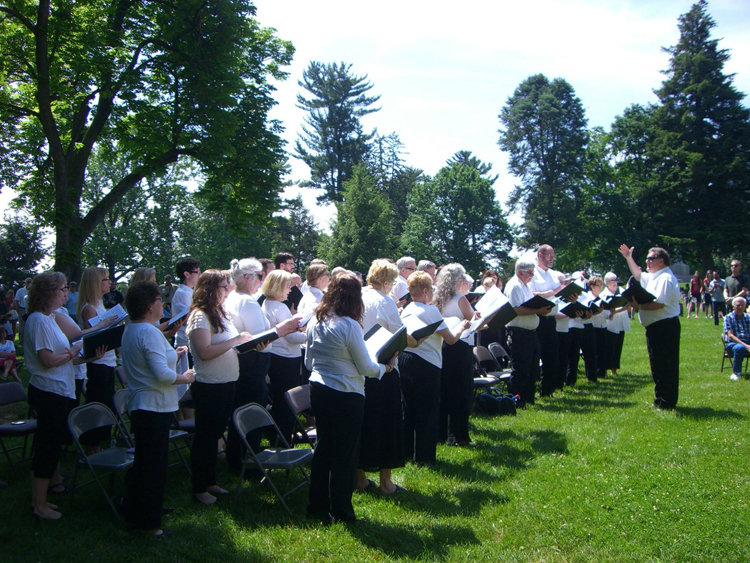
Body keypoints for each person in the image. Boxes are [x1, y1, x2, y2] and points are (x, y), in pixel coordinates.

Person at [305, 273, 397, 523]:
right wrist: (385, 369)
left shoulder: (316, 320)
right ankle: (342, 511)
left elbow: (308, 361)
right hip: (346, 393)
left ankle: (317, 506)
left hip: (319, 388)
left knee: (323, 448)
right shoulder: (349, 325)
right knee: (345, 455)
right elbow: (367, 368)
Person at [25, 272, 104, 520]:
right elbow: (48, 360)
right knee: (47, 446)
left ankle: (44, 499)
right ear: (48, 292)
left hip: (60, 389)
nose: (66, 294)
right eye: (61, 289)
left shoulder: (50, 318)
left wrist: (91, 356)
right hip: (47, 391)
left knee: (53, 444)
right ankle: (38, 505)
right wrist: (73, 353)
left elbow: (66, 357)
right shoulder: (38, 320)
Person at [121, 281, 195, 537]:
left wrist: (173, 352)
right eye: (159, 300)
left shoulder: (132, 329)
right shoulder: (149, 332)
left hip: (143, 405)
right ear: (149, 305)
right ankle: (149, 525)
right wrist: (186, 377)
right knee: (153, 467)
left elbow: (150, 362)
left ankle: (139, 511)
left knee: (144, 463)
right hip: (153, 406)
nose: (162, 304)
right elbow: (163, 375)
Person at [223, 260, 299, 472]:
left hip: (243, 364)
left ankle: (238, 459)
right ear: (247, 278)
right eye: (259, 276)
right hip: (252, 364)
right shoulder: (247, 301)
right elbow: (259, 341)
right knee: (252, 414)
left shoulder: (233, 297)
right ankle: (249, 461)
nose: (262, 281)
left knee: (241, 413)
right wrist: (281, 330)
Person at [187, 270, 252, 505]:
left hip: (226, 382)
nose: (228, 290)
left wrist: (247, 343)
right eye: (224, 286)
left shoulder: (219, 312)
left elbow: (227, 345)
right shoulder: (200, 316)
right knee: (205, 437)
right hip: (209, 385)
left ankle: (210, 480)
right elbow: (204, 352)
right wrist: (235, 341)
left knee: (215, 435)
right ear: (210, 288)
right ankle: (199, 488)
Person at [355, 260, 416, 495]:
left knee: (364, 422)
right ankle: (386, 482)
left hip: (359, 368)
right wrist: (414, 339)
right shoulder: (385, 301)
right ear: (387, 282)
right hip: (384, 368)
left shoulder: (357, 297)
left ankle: (359, 478)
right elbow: (400, 333)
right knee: (388, 423)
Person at [398, 271, 470, 466]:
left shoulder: (407, 309)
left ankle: (406, 452)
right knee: (427, 411)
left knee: (409, 408)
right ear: (425, 291)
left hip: (406, 360)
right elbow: (451, 339)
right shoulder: (430, 311)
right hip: (426, 364)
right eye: (431, 288)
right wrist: (462, 326)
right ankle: (424, 457)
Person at [618, 244, 681, 409]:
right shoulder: (654, 276)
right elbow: (638, 275)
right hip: (655, 327)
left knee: (666, 364)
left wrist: (638, 307)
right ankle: (660, 398)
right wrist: (628, 257)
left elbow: (660, 304)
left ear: (661, 261)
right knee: (657, 364)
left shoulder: (665, 278)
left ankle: (668, 401)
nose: (647, 261)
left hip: (665, 327)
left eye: (650, 259)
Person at [260, 269, 306, 445]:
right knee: (287, 401)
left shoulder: (267, 303)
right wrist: (310, 335)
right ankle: (284, 440)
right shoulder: (280, 307)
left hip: (275, 355)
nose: (290, 290)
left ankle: (276, 437)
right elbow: (292, 337)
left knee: (279, 399)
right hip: (287, 357)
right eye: (288, 286)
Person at [433, 264, 477, 447]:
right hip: (459, 346)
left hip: (442, 346)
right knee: (460, 391)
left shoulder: (437, 299)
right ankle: (458, 435)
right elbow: (472, 320)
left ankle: (441, 433)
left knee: (444, 390)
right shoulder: (461, 299)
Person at [77, 267, 119, 453]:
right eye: (105, 280)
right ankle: (91, 443)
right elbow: (90, 339)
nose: (109, 283)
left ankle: (101, 440)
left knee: (107, 402)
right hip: (97, 362)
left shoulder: (100, 304)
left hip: (108, 360)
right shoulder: (89, 308)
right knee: (98, 402)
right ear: (95, 283)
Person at [504, 254, 554, 406]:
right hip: (519, 332)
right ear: (520, 272)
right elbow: (516, 309)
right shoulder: (514, 286)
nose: (532, 276)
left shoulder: (525, 286)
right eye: (530, 273)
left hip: (530, 333)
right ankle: (515, 401)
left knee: (533, 368)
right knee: (521, 368)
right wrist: (538, 309)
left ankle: (528, 399)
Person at [530, 245, 573, 395]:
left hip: (551, 320)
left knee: (552, 357)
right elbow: (530, 294)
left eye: (553, 256)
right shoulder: (533, 273)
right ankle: (532, 390)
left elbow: (560, 295)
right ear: (540, 255)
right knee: (536, 357)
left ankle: (547, 390)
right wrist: (551, 292)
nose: (552, 259)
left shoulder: (554, 274)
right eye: (549, 255)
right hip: (538, 318)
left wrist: (570, 296)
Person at [172, 257, 201, 375]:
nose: (200, 274)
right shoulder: (182, 293)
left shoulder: (190, 292)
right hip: (185, 343)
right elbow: (188, 318)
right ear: (187, 274)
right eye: (197, 272)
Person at [602, 272, 630, 377]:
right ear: (607, 283)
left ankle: (614, 369)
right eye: (612, 280)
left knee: (618, 346)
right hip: (610, 323)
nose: (615, 283)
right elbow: (607, 311)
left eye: (616, 280)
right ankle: (605, 369)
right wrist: (621, 309)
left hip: (621, 322)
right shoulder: (604, 294)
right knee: (609, 347)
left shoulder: (621, 291)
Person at [723, 296, 750, 381]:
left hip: (748, 342)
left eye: (742, 305)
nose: (740, 307)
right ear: (733, 306)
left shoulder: (748, 317)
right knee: (740, 348)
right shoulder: (728, 318)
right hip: (733, 344)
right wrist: (746, 346)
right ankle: (736, 373)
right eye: (738, 305)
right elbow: (730, 336)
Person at [15, 277, 31, 345]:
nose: (29, 284)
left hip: (30, 309)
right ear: (25, 283)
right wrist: (18, 310)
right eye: (28, 282)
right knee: (22, 325)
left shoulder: (32, 291)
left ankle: (28, 340)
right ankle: (21, 341)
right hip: (22, 308)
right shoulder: (20, 291)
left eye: (30, 282)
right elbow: (16, 301)